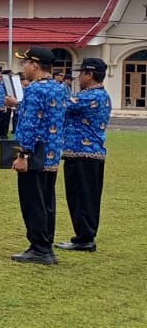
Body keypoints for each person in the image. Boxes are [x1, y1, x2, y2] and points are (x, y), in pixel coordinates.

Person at [7, 47, 67, 265]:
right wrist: (19, 105)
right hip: (51, 153)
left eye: (25, 63)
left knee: (32, 203)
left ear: (35, 65)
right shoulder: (60, 88)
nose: (23, 67)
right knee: (47, 202)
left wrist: (22, 154)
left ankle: (39, 249)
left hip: (34, 153)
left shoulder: (33, 90)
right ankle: (46, 246)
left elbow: (30, 125)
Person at [57, 57, 111, 253]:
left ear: (90, 74)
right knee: (86, 197)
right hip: (89, 154)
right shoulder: (99, 95)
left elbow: (58, 106)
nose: (79, 77)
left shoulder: (89, 96)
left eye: (82, 73)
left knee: (81, 197)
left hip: (82, 154)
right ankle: (85, 236)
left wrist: (19, 103)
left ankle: (84, 238)